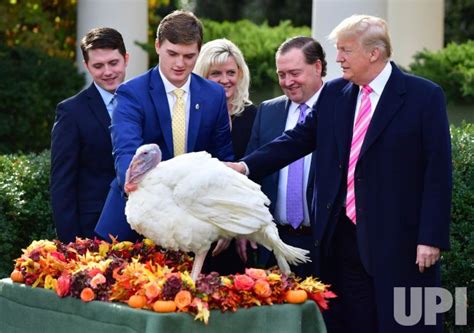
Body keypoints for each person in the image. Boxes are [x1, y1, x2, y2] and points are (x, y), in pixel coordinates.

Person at [228, 15, 451, 333]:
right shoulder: (335, 94)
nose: (338, 58)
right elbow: (297, 140)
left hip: (404, 246)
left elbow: (437, 173)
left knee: (411, 324)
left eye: (345, 50)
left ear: (373, 53)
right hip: (344, 243)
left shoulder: (424, 96)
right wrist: (246, 166)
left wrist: (431, 237)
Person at [95, 10, 234, 242]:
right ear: (158, 46)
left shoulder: (214, 95)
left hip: (195, 225)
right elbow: (126, 156)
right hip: (134, 221)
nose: (180, 63)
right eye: (172, 53)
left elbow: (223, 160)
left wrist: (225, 220)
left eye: (189, 56)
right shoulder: (131, 93)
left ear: (199, 52)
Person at [245, 36, 326, 278]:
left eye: (294, 73)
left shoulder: (339, 109)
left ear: (318, 67)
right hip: (273, 245)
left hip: (323, 246)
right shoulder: (267, 112)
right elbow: (252, 177)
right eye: (282, 74)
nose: (288, 82)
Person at [50, 27, 129, 243]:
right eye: (98, 66)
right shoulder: (71, 112)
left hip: (144, 227)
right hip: (92, 231)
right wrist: (71, 244)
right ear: (87, 66)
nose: (107, 72)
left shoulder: (145, 102)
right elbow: (62, 183)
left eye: (113, 63)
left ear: (126, 58)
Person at [194, 38, 257, 274]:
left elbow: (257, 174)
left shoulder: (253, 115)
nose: (225, 80)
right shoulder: (191, 114)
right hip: (198, 226)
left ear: (240, 74)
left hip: (241, 228)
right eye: (216, 73)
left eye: (231, 72)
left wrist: (240, 225)